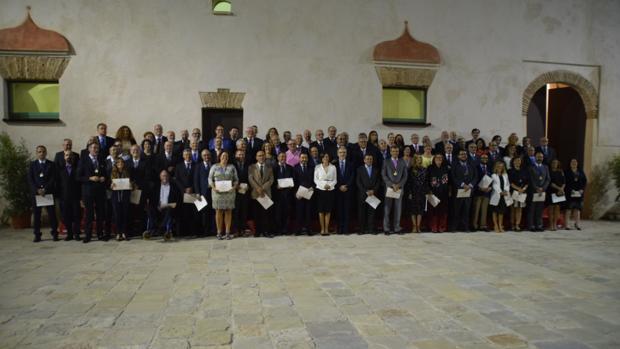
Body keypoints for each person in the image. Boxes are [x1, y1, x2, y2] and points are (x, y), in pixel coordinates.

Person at [78, 142, 108, 243]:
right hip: (88, 191)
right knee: (89, 214)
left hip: (100, 191)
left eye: (97, 148)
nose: (95, 149)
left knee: (100, 213)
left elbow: (105, 174)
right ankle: (88, 235)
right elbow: (78, 176)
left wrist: (104, 178)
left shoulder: (101, 159)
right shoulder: (83, 160)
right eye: (93, 148)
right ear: (89, 149)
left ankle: (100, 234)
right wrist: (90, 178)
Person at [28, 145, 59, 242]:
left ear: (46, 153)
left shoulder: (51, 164)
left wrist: (45, 189)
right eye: (39, 152)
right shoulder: (32, 165)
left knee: (52, 215)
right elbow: (30, 179)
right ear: (36, 153)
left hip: (48, 193)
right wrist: (37, 190)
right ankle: (37, 235)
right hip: (37, 194)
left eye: (43, 151)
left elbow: (53, 178)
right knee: (37, 215)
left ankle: (55, 233)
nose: (41, 153)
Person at [209, 151, 238, 239]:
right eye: (223, 155)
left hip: (229, 193)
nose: (224, 157)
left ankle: (227, 232)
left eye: (226, 156)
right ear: (219, 157)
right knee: (219, 211)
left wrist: (234, 187)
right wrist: (213, 187)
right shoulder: (214, 166)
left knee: (228, 211)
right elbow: (210, 179)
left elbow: (236, 179)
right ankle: (219, 232)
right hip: (217, 193)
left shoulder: (232, 167)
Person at [382, 146, 408, 234]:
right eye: (393, 151)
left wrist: (399, 185)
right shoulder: (386, 161)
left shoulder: (402, 161)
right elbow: (383, 175)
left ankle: (397, 227)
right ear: (390, 152)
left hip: (399, 188)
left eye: (397, 151)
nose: (395, 153)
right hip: (389, 188)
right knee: (387, 209)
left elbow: (405, 176)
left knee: (398, 209)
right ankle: (386, 228)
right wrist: (392, 184)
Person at [147, 170, 180, 240]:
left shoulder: (174, 187)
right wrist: (157, 206)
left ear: (169, 177)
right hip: (158, 207)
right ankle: (153, 229)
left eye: (166, 175)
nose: (165, 177)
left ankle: (162, 228)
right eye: (163, 176)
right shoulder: (155, 187)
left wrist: (167, 205)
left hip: (168, 207)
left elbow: (177, 200)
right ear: (160, 177)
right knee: (150, 209)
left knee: (169, 210)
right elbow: (152, 199)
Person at [248, 151, 274, 238]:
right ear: (256, 157)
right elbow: (250, 179)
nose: (261, 157)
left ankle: (266, 231)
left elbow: (271, 180)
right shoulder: (252, 167)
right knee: (256, 214)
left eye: (263, 155)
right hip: (256, 193)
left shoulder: (269, 167)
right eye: (259, 156)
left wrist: (262, 188)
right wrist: (258, 188)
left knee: (265, 214)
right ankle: (257, 231)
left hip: (266, 193)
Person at [451, 150, 477, 232]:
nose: (464, 155)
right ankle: (454, 227)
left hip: (469, 190)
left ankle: (466, 227)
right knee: (457, 209)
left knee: (467, 209)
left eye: (465, 154)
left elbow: (476, 176)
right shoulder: (455, 165)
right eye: (461, 154)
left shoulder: (471, 165)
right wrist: (462, 184)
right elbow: (453, 177)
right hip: (459, 190)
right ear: (458, 156)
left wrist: (470, 185)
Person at [57, 151, 81, 241]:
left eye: (70, 155)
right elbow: (58, 184)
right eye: (67, 155)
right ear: (64, 157)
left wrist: (81, 197)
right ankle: (69, 234)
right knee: (67, 216)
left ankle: (77, 234)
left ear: (73, 157)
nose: (69, 157)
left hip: (75, 197)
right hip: (64, 197)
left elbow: (80, 184)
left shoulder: (78, 169)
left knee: (76, 216)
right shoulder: (60, 170)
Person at [174, 149, 198, 237]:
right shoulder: (178, 166)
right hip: (182, 193)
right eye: (186, 155)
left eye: (189, 154)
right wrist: (184, 189)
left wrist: (192, 188)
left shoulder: (196, 165)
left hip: (193, 192)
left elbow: (197, 178)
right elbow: (177, 179)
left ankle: (194, 232)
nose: (188, 156)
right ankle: (184, 232)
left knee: (194, 213)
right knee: (184, 213)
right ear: (183, 156)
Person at [128, 144, 149, 236]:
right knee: (131, 211)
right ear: (130, 152)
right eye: (133, 150)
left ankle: (142, 230)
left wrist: (138, 186)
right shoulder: (126, 162)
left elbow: (147, 177)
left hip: (142, 190)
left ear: (140, 151)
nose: (135, 151)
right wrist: (132, 185)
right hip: (130, 191)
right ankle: (131, 230)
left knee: (141, 211)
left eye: (137, 150)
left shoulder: (145, 162)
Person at [314, 152, 337, 235]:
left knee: (328, 210)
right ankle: (322, 229)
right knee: (321, 210)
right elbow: (315, 180)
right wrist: (324, 185)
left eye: (327, 156)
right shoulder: (317, 167)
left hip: (330, 190)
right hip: (320, 190)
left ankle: (326, 229)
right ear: (322, 158)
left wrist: (329, 186)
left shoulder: (333, 167)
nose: (326, 158)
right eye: (324, 157)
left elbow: (335, 180)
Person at [426, 154, 450, 233]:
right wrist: (428, 190)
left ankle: (441, 226)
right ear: (434, 159)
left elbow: (450, 181)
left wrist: (450, 190)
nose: (439, 159)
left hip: (444, 192)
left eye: (440, 158)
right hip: (433, 193)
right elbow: (426, 180)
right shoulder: (430, 168)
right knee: (433, 211)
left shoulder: (446, 168)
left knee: (443, 210)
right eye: (437, 157)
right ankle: (433, 226)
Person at [193, 149, 214, 237]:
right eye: (204, 155)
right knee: (203, 213)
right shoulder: (198, 166)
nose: (206, 157)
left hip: (213, 193)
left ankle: (212, 230)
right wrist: (197, 193)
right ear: (202, 157)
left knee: (212, 212)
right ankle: (204, 231)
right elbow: (196, 180)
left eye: (208, 155)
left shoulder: (214, 165)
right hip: (202, 193)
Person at [527, 152, 550, 232]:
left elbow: (548, 179)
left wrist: (543, 188)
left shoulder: (546, 167)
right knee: (532, 209)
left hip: (542, 192)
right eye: (538, 157)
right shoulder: (530, 167)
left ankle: (539, 225)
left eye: (541, 157)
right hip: (533, 191)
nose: (540, 158)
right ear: (535, 157)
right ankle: (531, 225)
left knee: (540, 209)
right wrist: (536, 188)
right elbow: (530, 179)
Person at [110, 158, 132, 241]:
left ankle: (124, 232)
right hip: (116, 196)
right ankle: (118, 233)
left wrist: (130, 185)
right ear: (115, 164)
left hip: (125, 196)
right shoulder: (113, 172)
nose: (120, 163)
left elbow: (130, 182)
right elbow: (110, 184)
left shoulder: (127, 172)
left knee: (125, 215)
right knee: (117, 215)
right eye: (118, 162)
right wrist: (111, 185)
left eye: (122, 162)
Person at [294, 153, 315, 235]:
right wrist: (295, 192)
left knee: (308, 212)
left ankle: (309, 230)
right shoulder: (295, 168)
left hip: (309, 192)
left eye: (305, 158)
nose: (304, 159)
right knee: (299, 212)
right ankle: (298, 230)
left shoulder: (312, 168)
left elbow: (315, 180)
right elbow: (294, 181)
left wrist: (313, 187)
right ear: (299, 158)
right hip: (299, 194)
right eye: (302, 158)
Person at [273, 152, 294, 235]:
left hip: (288, 194)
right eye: (281, 157)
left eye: (284, 157)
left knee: (287, 213)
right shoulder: (273, 168)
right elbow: (271, 180)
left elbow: (293, 179)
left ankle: (286, 229)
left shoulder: (290, 168)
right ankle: (278, 229)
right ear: (277, 158)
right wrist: (276, 186)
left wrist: (291, 185)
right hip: (277, 195)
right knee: (278, 213)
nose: (282, 158)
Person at [335, 147, 354, 234]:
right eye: (340, 152)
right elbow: (332, 177)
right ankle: (339, 228)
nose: (342, 154)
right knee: (339, 211)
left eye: (344, 152)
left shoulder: (351, 164)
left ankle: (346, 229)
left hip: (347, 190)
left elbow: (352, 177)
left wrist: (346, 185)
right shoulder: (334, 165)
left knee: (347, 210)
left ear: (346, 154)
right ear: (337, 154)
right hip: (337, 190)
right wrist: (339, 186)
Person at [564, 158, 587, 230]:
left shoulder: (581, 172)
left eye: (575, 162)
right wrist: (571, 190)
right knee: (568, 209)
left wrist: (582, 190)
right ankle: (567, 224)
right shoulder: (566, 172)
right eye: (572, 162)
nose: (574, 163)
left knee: (577, 209)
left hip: (579, 193)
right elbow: (565, 182)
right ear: (570, 163)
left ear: (577, 163)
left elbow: (584, 181)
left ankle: (577, 224)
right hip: (569, 193)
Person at [471, 154, 492, 232]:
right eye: (483, 157)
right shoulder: (476, 167)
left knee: (484, 210)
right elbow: (474, 178)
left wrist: (490, 187)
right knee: (476, 209)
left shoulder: (489, 168)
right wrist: (479, 187)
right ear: (480, 158)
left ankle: (483, 225)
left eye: (486, 158)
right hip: (478, 191)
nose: (485, 159)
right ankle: (474, 225)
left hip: (486, 192)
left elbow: (492, 179)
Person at [407, 155, 427, 233]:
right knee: (413, 210)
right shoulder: (411, 169)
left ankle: (418, 226)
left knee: (420, 210)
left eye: (420, 159)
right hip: (413, 191)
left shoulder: (425, 169)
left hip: (421, 191)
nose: (419, 160)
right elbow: (408, 182)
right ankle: (414, 226)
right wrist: (409, 192)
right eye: (418, 159)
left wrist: (426, 191)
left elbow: (426, 182)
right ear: (415, 160)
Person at [233, 149, 250, 236]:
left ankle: (243, 229)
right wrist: (235, 185)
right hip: (235, 191)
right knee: (236, 211)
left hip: (245, 191)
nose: (241, 156)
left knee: (244, 211)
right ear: (236, 155)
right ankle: (236, 230)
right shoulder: (232, 165)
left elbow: (250, 177)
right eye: (239, 154)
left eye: (242, 154)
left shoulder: (248, 165)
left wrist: (248, 186)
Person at [490, 160, 511, 233]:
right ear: (496, 167)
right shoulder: (493, 175)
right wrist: (500, 192)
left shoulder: (505, 175)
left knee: (501, 212)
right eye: (499, 167)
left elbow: (508, 184)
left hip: (504, 195)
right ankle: (495, 225)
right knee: (495, 211)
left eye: (502, 167)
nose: (500, 168)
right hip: (496, 195)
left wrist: (505, 191)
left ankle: (500, 225)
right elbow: (494, 185)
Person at [508, 157, 528, 231]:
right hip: (513, 192)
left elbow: (527, 182)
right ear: (513, 162)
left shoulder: (524, 171)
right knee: (513, 209)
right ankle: (512, 224)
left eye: (519, 160)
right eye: (516, 160)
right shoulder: (510, 171)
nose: (518, 162)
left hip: (522, 192)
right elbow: (510, 182)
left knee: (520, 209)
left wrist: (523, 189)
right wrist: (518, 189)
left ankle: (517, 225)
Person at [547, 159, 565, 231]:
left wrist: (561, 189)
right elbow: (550, 183)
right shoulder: (549, 172)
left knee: (557, 209)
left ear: (558, 164)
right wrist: (559, 188)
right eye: (553, 163)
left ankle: (555, 224)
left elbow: (564, 182)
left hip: (559, 192)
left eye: (556, 163)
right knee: (551, 209)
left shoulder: (560, 172)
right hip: (551, 191)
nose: (554, 164)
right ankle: (551, 225)